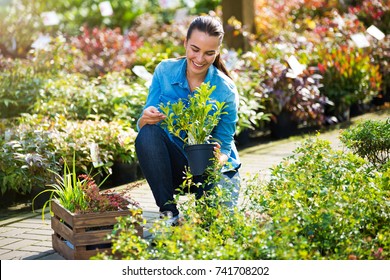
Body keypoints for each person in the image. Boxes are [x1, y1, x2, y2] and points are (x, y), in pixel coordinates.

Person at [135, 15, 241, 226]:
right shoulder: (164, 71)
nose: (200, 59)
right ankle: (169, 214)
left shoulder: (225, 89)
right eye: (195, 49)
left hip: (213, 167)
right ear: (185, 43)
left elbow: (225, 142)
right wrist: (145, 118)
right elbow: (145, 123)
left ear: (217, 52)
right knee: (147, 134)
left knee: (214, 228)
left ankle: (207, 206)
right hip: (176, 166)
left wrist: (217, 160)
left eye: (209, 53)